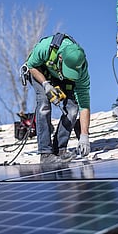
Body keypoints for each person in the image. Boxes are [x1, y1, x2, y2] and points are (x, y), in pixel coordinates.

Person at [25, 33, 91, 164]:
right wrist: (46, 85)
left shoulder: (81, 69)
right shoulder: (45, 48)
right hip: (40, 72)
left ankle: (60, 149)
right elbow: (31, 66)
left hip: (60, 78)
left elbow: (84, 105)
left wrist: (84, 135)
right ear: (60, 58)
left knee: (72, 110)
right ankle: (45, 153)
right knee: (44, 105)